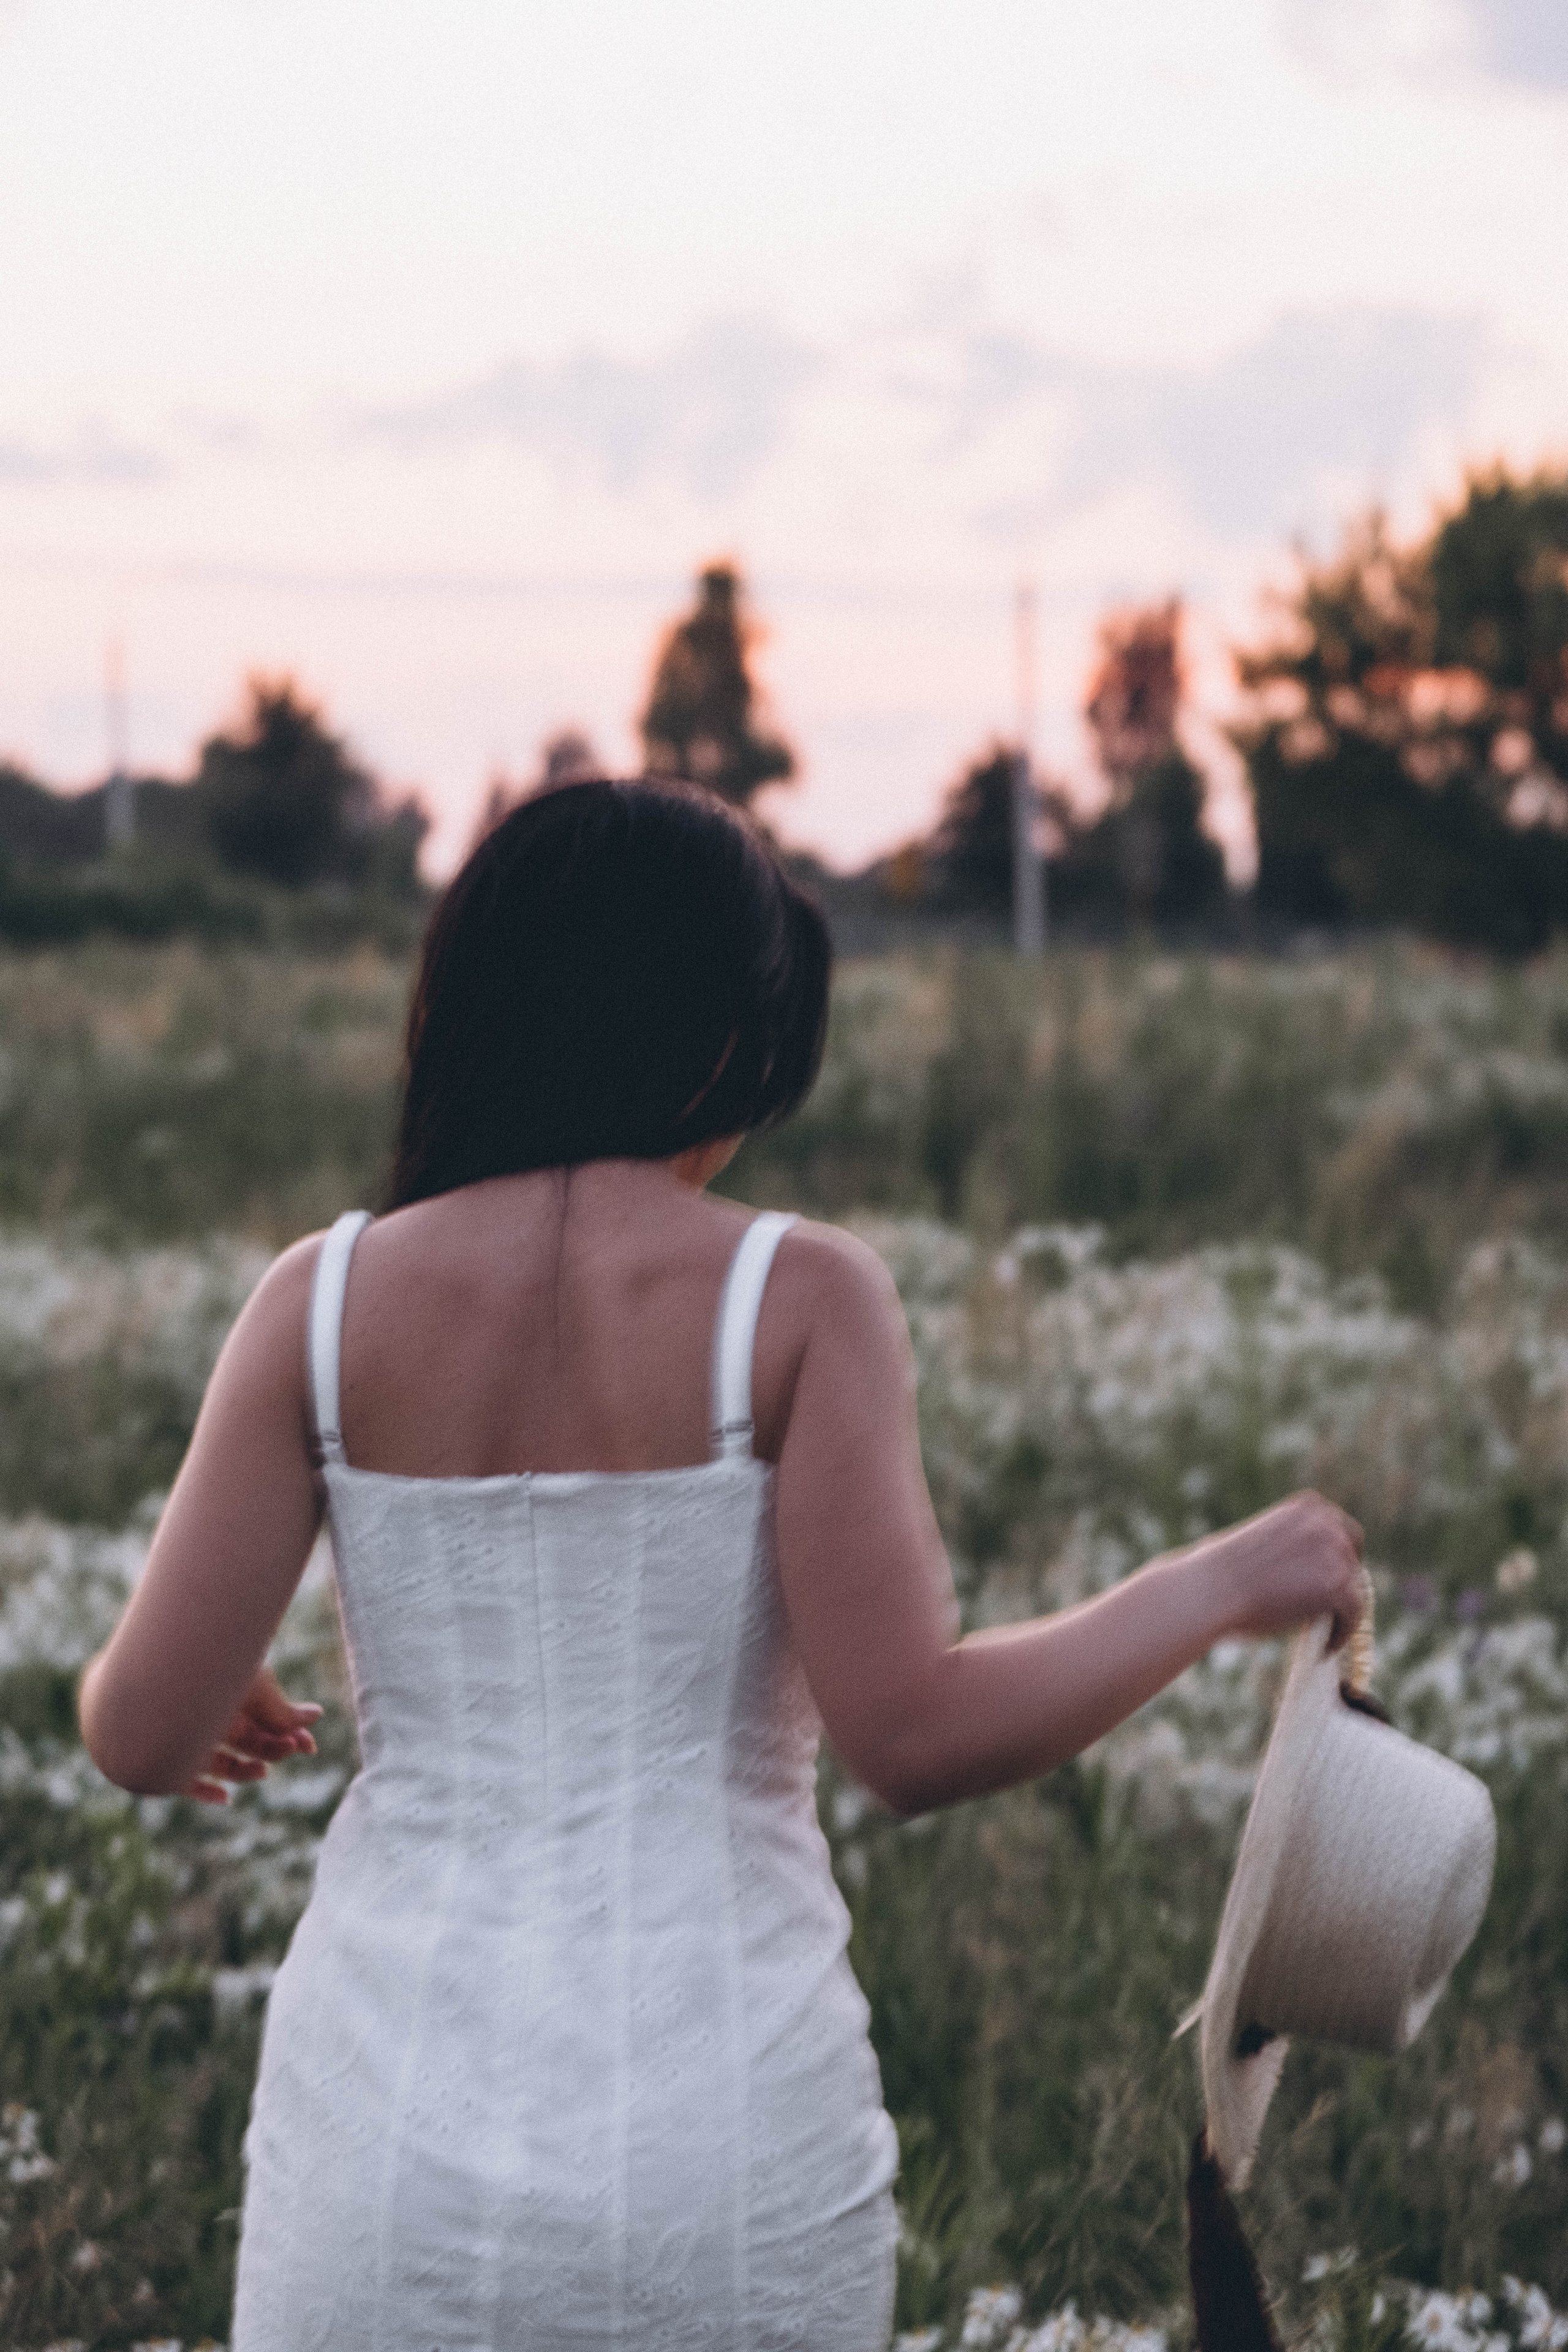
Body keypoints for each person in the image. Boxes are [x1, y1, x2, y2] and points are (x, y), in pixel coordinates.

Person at [78, 781, 1365, 2352]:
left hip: (381, 2144)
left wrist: (208, 1664)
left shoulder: (321, 1301)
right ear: (714, 1036)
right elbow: (914, 1736)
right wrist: (1223, 1581)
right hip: (725, 2142)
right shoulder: (799, 1294)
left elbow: (141, 1735)